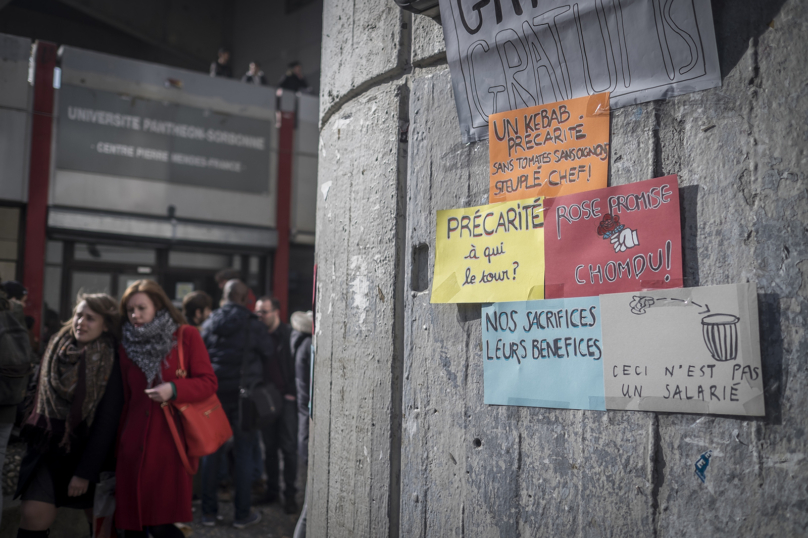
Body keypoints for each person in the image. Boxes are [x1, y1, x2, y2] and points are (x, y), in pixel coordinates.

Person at [115, 280, 218, 537]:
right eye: (130, 310)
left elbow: (208, 382)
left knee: (163, 525)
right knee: (132, 526)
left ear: (158, 305)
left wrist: (174, 389)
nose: (135, 315)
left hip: (171, 443)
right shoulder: (125, 345)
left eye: (141, 308)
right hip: (133, 446)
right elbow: (125, 401)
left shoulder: (185, 335)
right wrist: (119, 445)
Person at [15, 293, 122, 538]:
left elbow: (107, 423)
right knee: (32, 517)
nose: (80, 322)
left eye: (90, 318)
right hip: (47, 450)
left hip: (88, 455)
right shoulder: (56, 347)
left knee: (100, 526)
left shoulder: (111, 361)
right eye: (78, 315)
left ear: (106, 325)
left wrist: (85, 473)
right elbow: (33, 392)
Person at [200, 280, 285, 528]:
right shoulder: (252, 324)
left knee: (211, 452)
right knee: (245, 452)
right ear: (246, 298)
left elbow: (202, 354)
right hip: (244, 395)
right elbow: (268, 351)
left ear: (224, 296)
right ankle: (241, 514)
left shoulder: (210, 322)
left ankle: (207, 513)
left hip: (214, 396)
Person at [255, 296, 298, 513]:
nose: (259, 316)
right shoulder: (257, 336)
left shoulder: (289, 334)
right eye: (258, 312)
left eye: (264, 312)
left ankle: (289, 494)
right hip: (265, 399)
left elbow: (298, 366)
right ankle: (272, 491)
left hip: (287, 399)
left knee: (289, 448)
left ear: (276, 312)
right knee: (269, 448)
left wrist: (292, 392)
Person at [290, 310, 312, 538]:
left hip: (305, 428)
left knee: (310, 502)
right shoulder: (309, 346)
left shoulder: (299, 341)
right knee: (310, 505)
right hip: (309, 431)